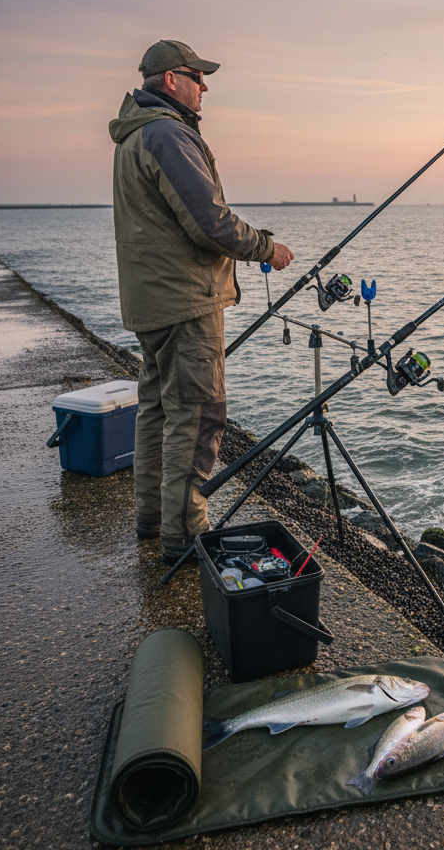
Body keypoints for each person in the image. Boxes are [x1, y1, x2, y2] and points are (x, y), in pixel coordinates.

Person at [109, 39, 293, 563]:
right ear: (171, 79)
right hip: (186, 306)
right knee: (196, 421)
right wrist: (266, 247)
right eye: (197, 76)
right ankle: (184, 541)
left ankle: (152, 521)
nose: (204, 85)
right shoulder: (168, 134)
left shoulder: (134, 135)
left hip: (152, 304)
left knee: (157, 413)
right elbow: (209, 221)